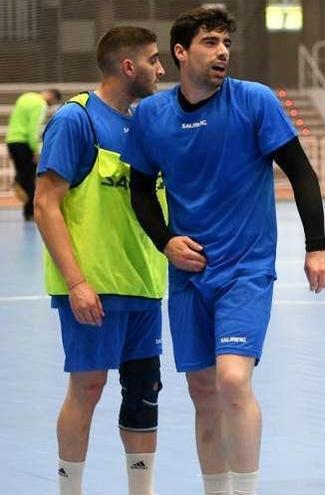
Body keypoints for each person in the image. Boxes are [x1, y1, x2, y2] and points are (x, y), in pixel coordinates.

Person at [122, 7, 325, 495]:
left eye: (226, 44)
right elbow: (139, 190)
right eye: (211, 43)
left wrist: (316, 246)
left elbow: (301, 171)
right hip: (188, 275)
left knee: (233, 380)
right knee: (203, 394)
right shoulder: (152, 115)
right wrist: (166, 242)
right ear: (180, 52)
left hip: (246, 269)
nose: (223, 53)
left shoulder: (254, 101)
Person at [33, 26, 166, 495]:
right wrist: (75, 283)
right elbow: (46, 204)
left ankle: (141, 490)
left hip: (146, 285)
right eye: (153, 59)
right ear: (129, 67)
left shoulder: (147, 123)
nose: (161, 68)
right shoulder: (77, 120)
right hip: (95, 288)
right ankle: (71, 490)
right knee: (86, 391)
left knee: (145, 395)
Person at [6, 87, 61, 219]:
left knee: (24, 174)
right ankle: (30, 211)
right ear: (52, 97)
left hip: (12, 141)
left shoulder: (25, 97)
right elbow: (34, 128)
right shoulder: (40, 104)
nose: (49, 105)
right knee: (30, 177)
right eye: (51, 103)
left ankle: (19, 183)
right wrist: (36, 150)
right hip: (25, 143)